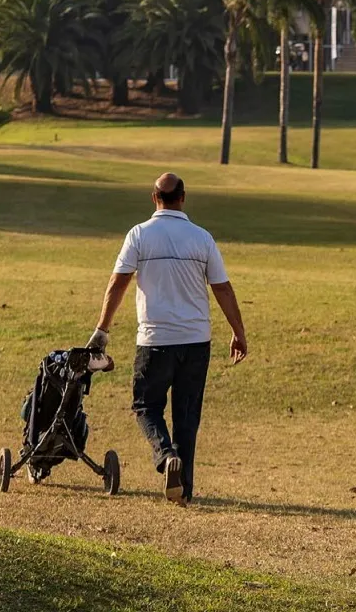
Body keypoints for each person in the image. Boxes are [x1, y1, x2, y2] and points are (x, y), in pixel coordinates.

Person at [87, 173, 248, 506]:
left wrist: (102, 329)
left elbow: (118, 283)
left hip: (155, 339)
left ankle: (164, 454)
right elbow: (222, 287)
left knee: (146, 405)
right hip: (196, 341)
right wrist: (238, 331)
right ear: (183, 198)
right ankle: (183, 491)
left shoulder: (140, 235)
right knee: (187, 417)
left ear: (153, 197)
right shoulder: (201, 238)